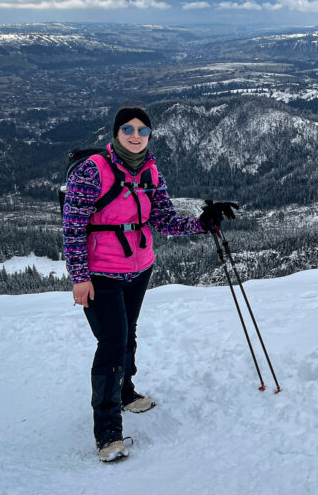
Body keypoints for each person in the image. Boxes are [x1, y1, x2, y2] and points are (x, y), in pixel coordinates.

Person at [62, 107, 238, 462]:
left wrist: (202, 223)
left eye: (143, 130)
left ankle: (125, 392)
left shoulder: (150, 170)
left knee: (127, 335)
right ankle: (108, 432)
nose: (135, 134)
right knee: (111, 344)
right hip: (100, 273)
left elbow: (163, 219)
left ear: (150, 135)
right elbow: (73, 227)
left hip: (139, 268)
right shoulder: (91, 170)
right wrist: (79, 277)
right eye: (128, 128)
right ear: (116, 132)